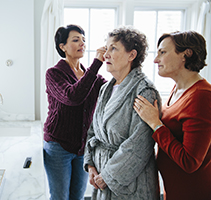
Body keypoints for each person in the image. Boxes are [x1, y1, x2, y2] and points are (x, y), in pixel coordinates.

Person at [83, 26, 161, 200]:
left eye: (113, 48)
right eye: (106, 47)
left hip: (129, 183)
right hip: (101, 175)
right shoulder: (105, 89)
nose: (106, 54)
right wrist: (90, 165)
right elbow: (93, 131)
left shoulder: (144, 91)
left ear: (131, 55)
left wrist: (108, 176)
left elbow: (140, 144)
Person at [133, 31, 211, 200]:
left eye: (163, 52)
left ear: (186, 54)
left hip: (193, 193)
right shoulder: (177, 91)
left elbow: (190, 162)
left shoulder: (202, 96)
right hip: (174, 191)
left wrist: (155, 123)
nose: (156, 60)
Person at [43, 24, 107, 200]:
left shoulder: (92, 76)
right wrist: (97, 63)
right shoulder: (54, 73)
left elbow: (112, 91)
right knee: (59, 196)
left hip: (82, 148)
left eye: (84, 40)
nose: (82, 44)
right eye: (76, 40)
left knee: (77, 196)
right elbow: (73, 97)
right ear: (62, 46)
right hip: (58, 146)